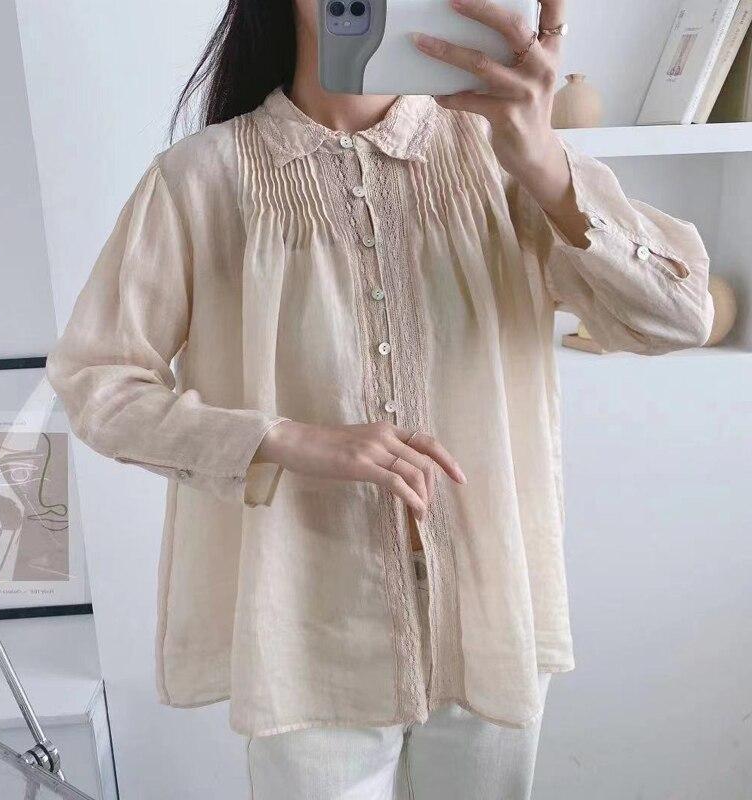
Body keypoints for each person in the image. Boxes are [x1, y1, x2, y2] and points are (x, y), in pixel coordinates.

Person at [45, 0, 714, 797]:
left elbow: (679, 317)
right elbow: (97, 382)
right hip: (309, 627)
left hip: (489, 614)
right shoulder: (201, 180)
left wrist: (540, 157)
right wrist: (283, 439)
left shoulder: (500, 155)